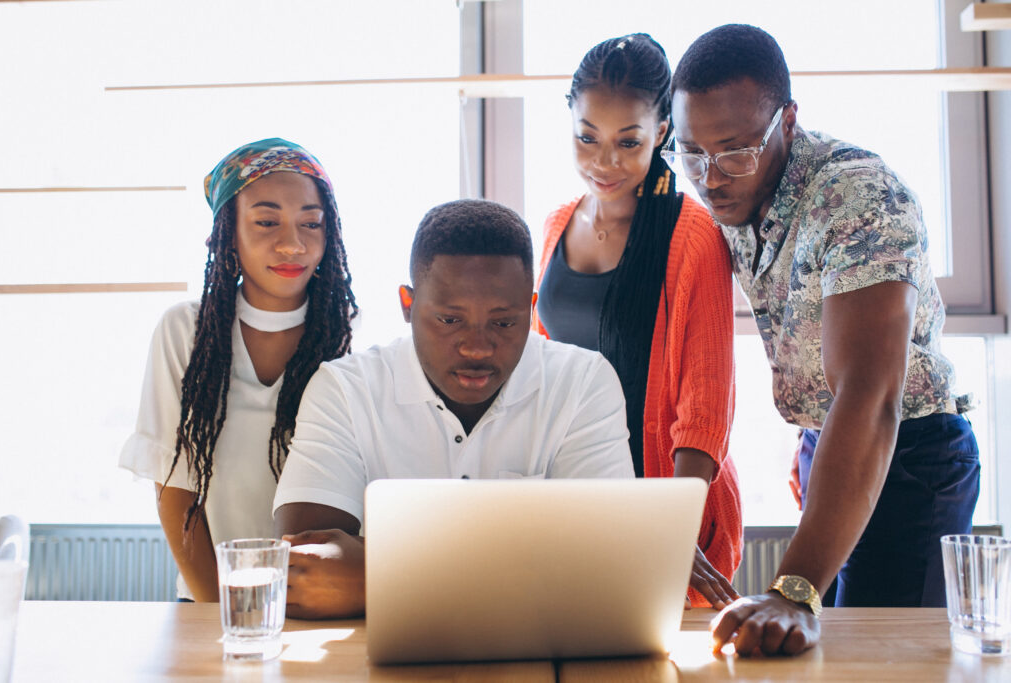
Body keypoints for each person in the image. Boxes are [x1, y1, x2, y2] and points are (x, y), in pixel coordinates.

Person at [666, 24, 980, 655]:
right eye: (690, 152)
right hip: (828, 446)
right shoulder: (727, 189)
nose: (710, 176)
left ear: (787, 121)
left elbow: (869, 395)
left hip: (908, 459)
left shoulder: (858, 198)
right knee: (819, 661)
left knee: (884, 664)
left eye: (732, 152)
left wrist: (794, 588)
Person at [273, 199, 635, 619]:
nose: (476, 347)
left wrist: (379, 578)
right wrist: (534, 567)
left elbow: (607, 566)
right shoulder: (346, 389)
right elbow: (305, 573)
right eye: (449, 320)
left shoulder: (584, 382)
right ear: (408, 305)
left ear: (530, 308)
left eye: (503, 323)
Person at [533, 34, 741, 610]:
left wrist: (668, 530)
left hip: (666, 509)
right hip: (572, 508)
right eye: (587, 138)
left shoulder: (692, 236)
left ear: (663, 134)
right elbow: (540, 371)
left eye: (629, 142)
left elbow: (705, 411)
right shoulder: (554, 226)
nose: (604, 162)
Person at [119, 138, 358, 602]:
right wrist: (222, 612)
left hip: (320, 606)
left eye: (311, 223)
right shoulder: (184, 331)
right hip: (210, 601)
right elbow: (176, 493)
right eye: (267, 221)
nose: (293, 243)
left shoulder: (350, 336)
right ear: (228, 233)